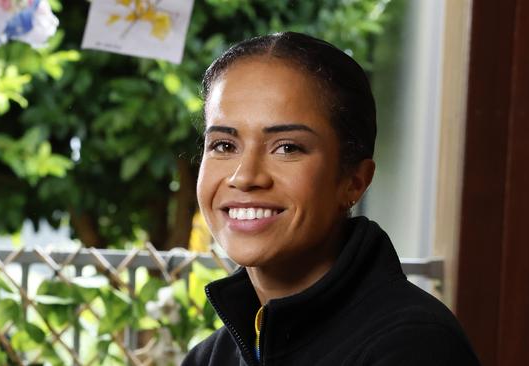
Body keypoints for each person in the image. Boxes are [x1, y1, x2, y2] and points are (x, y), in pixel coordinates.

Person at [182, 32, 479, 366]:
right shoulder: (210, 358)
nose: (246, 176)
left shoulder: (414, 347)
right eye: (224, 145)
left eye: (287, 147)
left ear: (354, 182)